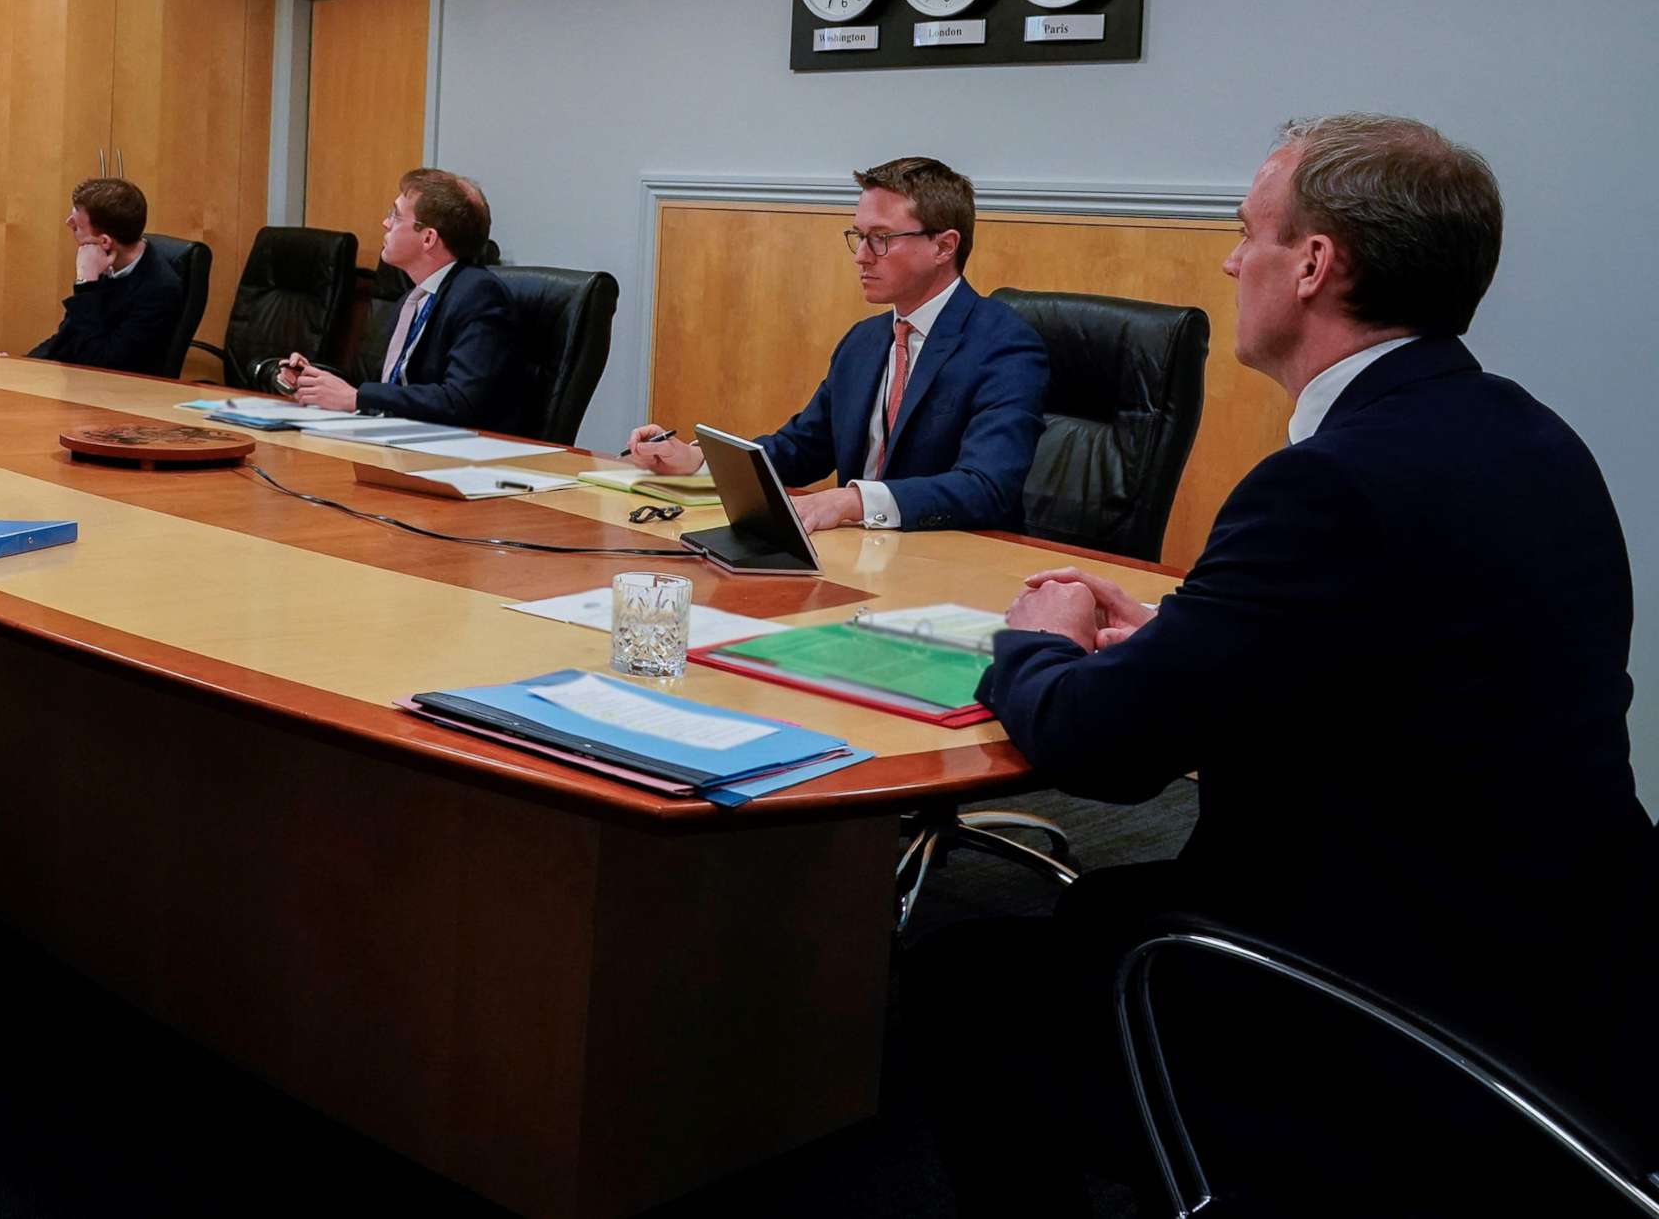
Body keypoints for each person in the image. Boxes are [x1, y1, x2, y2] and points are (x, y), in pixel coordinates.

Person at [913, 115, 1653, 1216]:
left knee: (958, 982)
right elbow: (1385, 669)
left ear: (1313, 264)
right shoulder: (1530, 434)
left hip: (1371, 991)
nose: (1228, 258)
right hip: (1564, 964)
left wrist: (1036, 639)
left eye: (1249, 230)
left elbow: (1106, 749)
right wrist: (1186, 634)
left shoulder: (1330, 483)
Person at [626, 156, 1047, 534]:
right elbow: (802, 449)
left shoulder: (1004, 345)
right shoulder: (864, 341)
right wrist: (699, 462)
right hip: (860, 558)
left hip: (953, 563)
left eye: (880, 238)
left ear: (943, 245)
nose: (861, 256)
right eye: (858, 236)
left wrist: (851, 501)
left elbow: (986, 486)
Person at [279, 168, 516, 430]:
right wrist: (316, 383)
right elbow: (387, 385)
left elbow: (460, 400)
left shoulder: (478, 295)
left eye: (395, 215)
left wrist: (356, 398)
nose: (385, 223)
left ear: (428, 238)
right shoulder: (412, 299)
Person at [28, 176, 186, 376]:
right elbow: (68, 336)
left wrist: (86, 283)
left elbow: (99, 363)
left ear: (104, 242)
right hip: (83, 388)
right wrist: (21, 366)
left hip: (120, 396)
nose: (68, 223)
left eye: (77, 225)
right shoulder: (107, 263)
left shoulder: (159, 289)